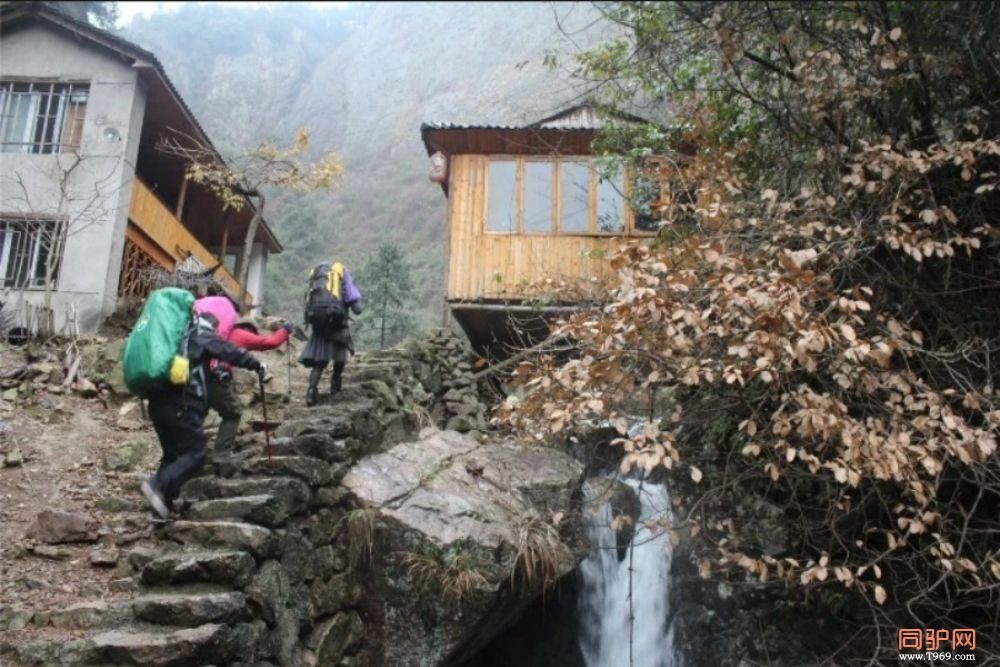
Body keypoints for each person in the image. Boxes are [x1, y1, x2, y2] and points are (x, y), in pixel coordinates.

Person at [140, 309, 266, 519]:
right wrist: (256, 364)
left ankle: (161, 507)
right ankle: (156, 485)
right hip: (182, 402)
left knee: (172, 455)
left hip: (157, 403)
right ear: (212, 325)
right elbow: (229, 351)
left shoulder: (172, 337)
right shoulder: (200, 334)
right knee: (195, 453)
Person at [194, 295, 293, 470]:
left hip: (195, 377)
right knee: (233, 412)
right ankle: (221, 455)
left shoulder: (207, 332)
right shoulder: (240, 334)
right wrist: (285, 330)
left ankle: (191, 454)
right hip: (217, 379)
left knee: (198, 415)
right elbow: (270, 342)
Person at [299, 261, 363, 406]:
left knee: (319, 363)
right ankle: (335, 389)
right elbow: (358, 309)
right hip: (338, 325)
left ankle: (311, 392)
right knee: (339, 360)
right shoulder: (343, 275)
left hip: (319, 327)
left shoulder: (316, 277)